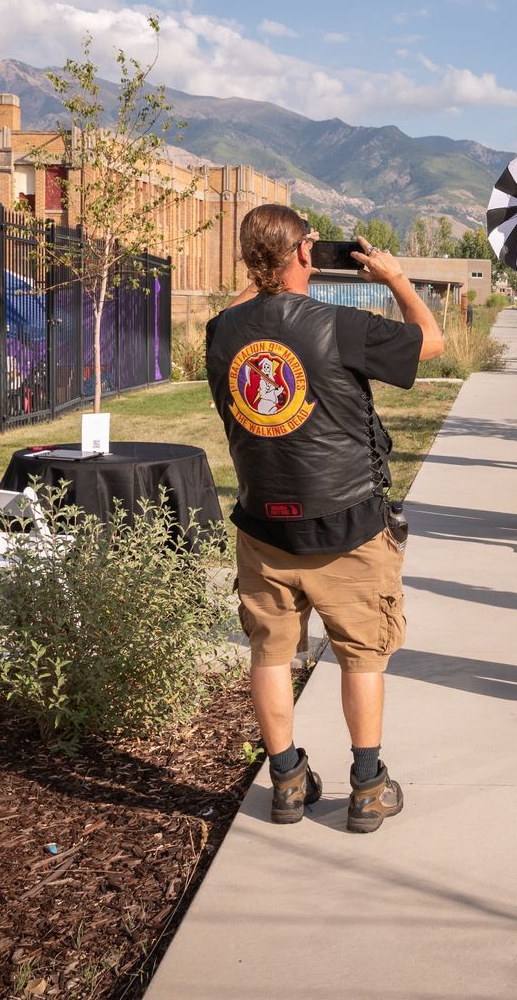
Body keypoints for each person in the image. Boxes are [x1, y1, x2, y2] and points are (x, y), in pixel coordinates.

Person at [204, 205, 442, 834]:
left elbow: (241, 310)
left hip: (264, 525)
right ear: (307, 254)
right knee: (362, 653)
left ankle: (285, 781)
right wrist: (396, 279)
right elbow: (432, 343)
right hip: (347, 526)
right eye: (309, 245)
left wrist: (266, 271)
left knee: (271, 653)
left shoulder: (220, 333)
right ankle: (366, 787)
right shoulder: (339, 325)